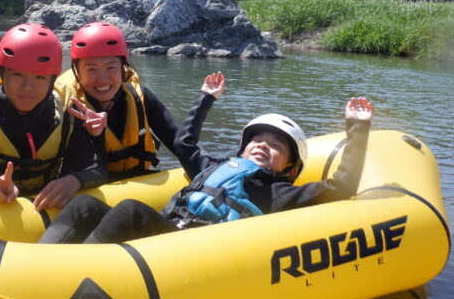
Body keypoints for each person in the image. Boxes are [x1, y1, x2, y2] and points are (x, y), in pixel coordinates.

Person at [39, 72, 374, 244]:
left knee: (129, 210)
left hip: (192, 248)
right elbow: (184, 141)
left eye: (276, 146)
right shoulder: (212, 168)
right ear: (242, 148)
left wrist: (357, 130)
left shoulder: (279, 192)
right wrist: (206, 98)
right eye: (256, 139)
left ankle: (72, 276)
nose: (262, 145)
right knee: (85, 206)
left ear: (290, 168)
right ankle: (38, 264)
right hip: (168, 229)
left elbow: (340, 187)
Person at [0, 23, 105, 210]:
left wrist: (74, 180)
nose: (28, 87)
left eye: (40, 77)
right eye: (17, 75)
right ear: (2, 73)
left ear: (53, 79)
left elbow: (97, 169)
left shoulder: (67, 115)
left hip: (47, 205)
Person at [56, 21, 181, 179]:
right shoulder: (67, 108)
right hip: (89, 191)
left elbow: (179, 140)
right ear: (77, 73)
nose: (102, 79)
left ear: (123, 68)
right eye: (91, 69)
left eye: (111, 67)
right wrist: (92, 135)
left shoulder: (140, 97)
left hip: (138, 183)